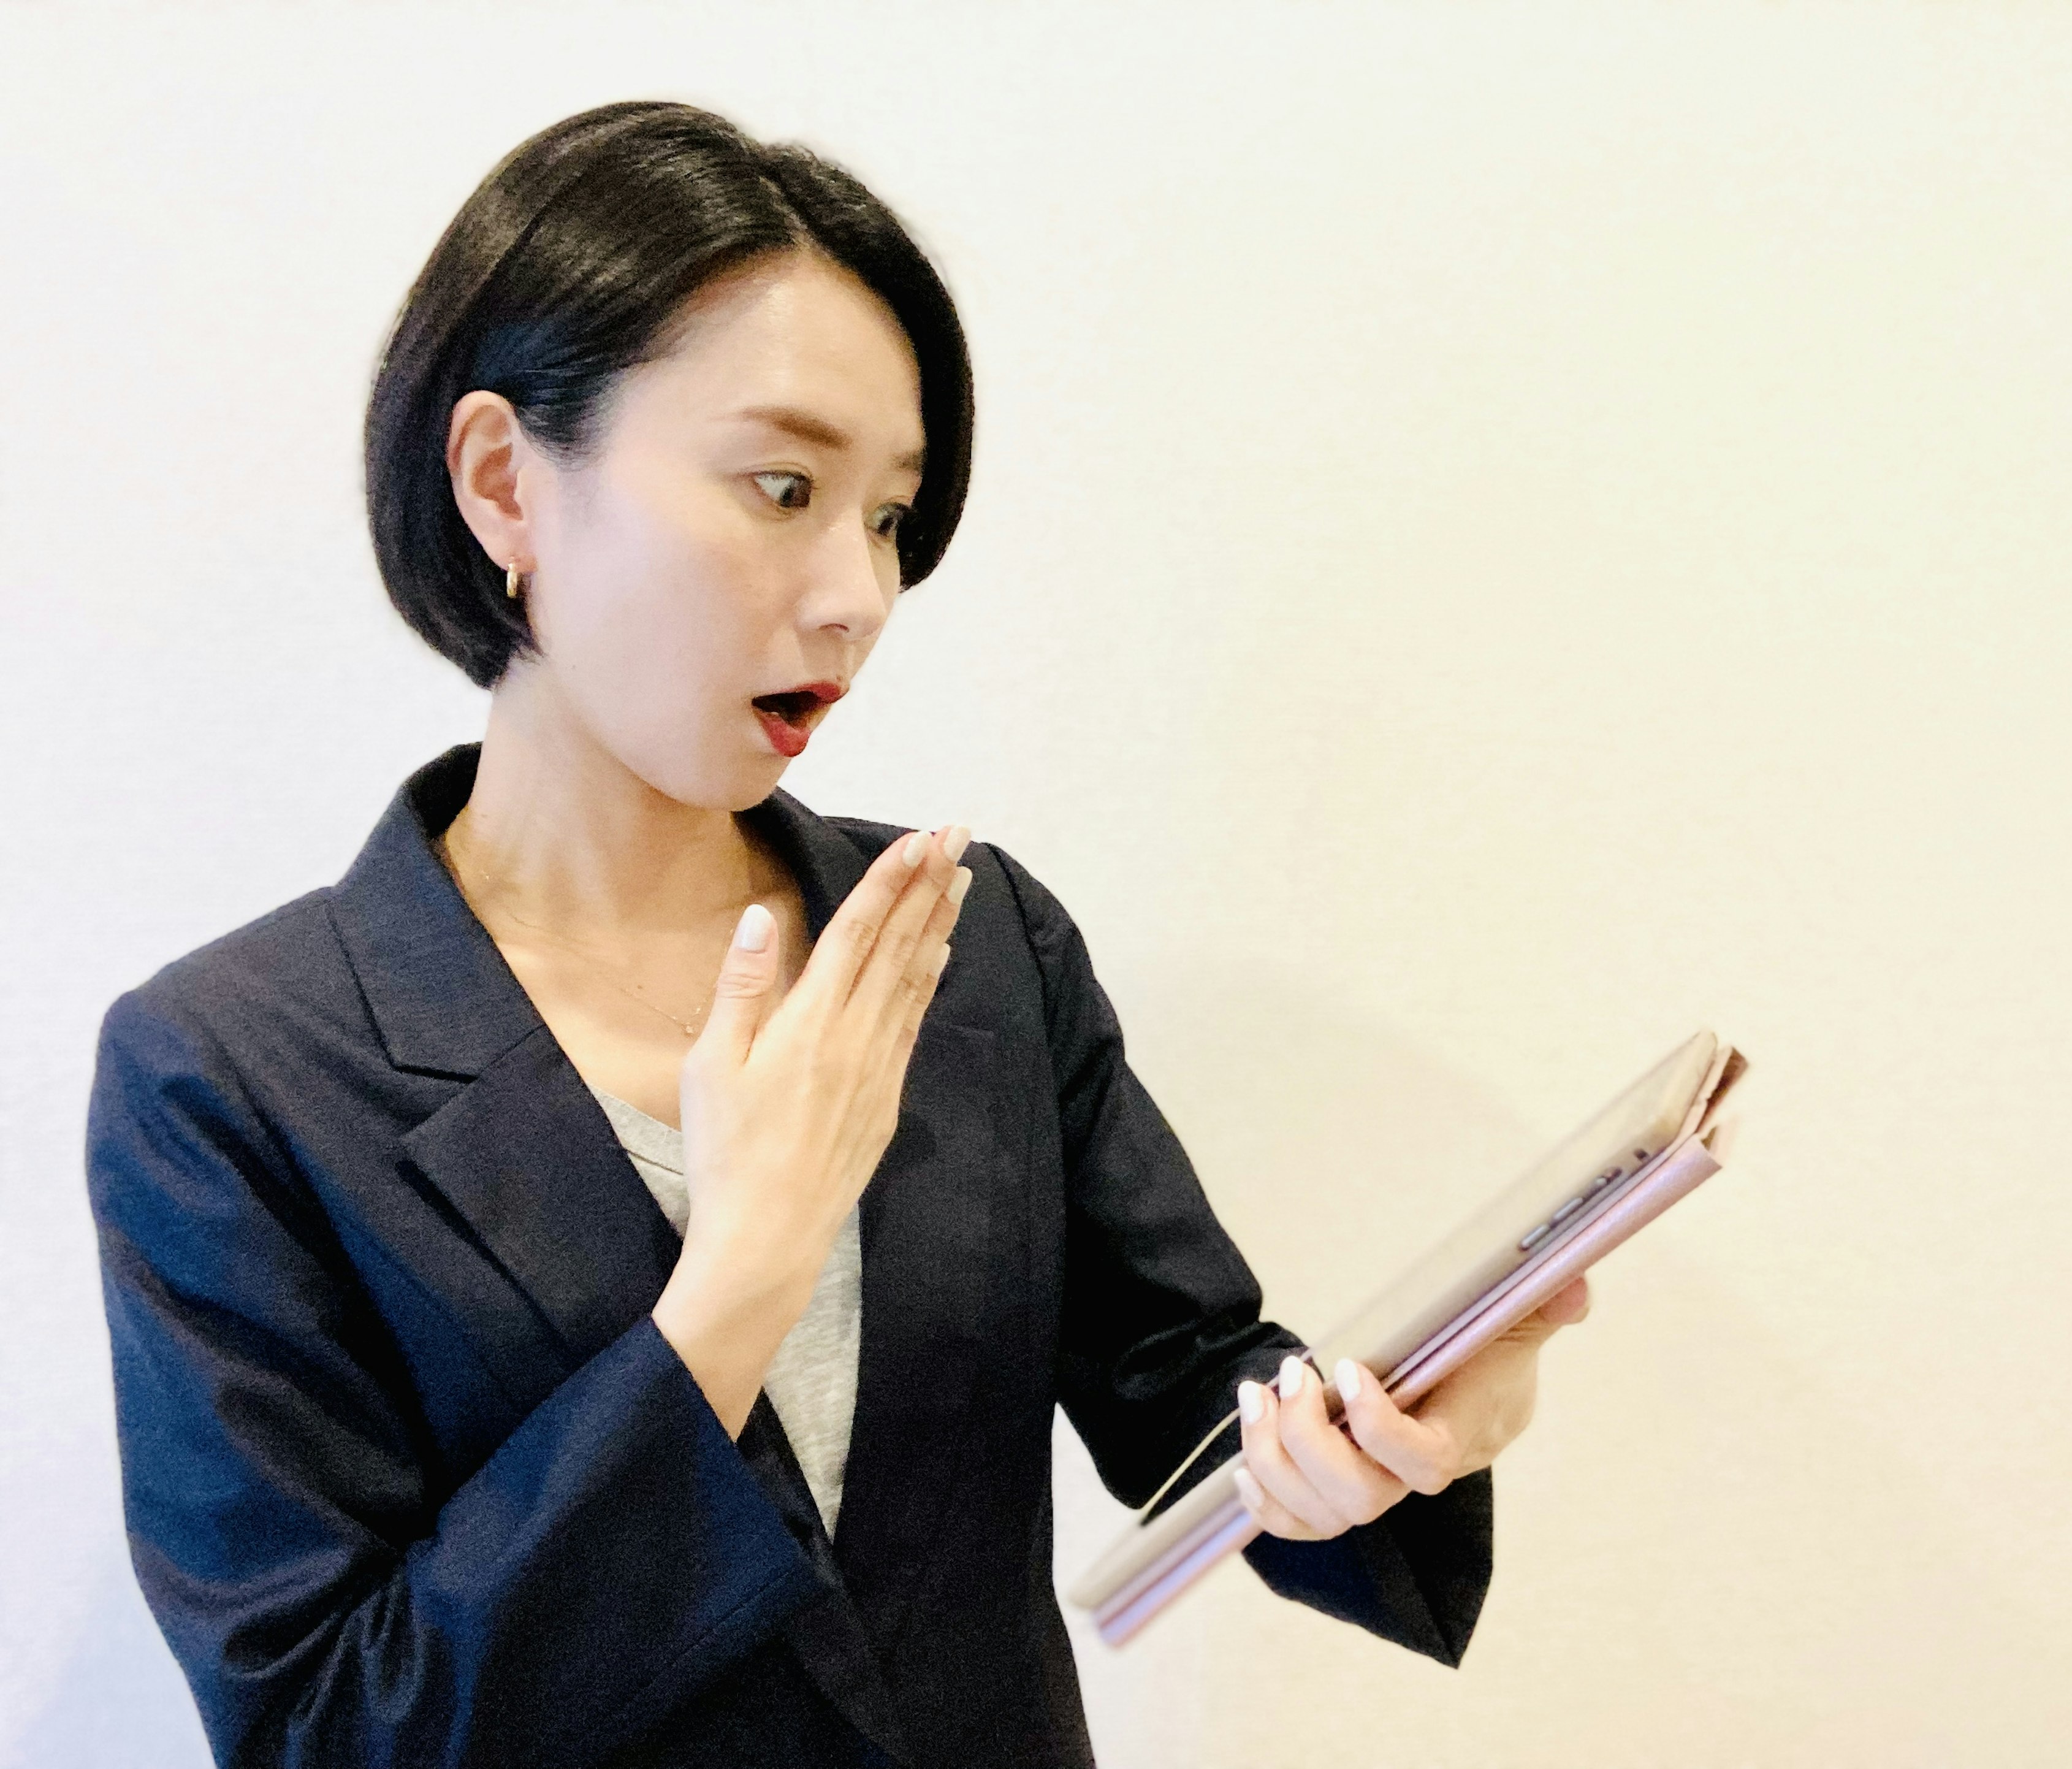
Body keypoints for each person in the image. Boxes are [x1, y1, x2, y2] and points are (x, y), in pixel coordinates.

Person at [82, 99, 1594, 1769]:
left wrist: (1414, 1424)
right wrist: (733, 1286)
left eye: (888, 515)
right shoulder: (231, 1073)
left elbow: (1194, 1399)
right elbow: (324, 1729)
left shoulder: (967, 942)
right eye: (783, 486)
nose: (857, 595)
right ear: (506, 480)